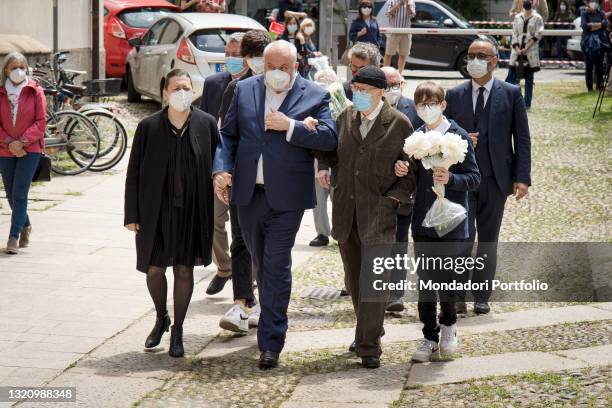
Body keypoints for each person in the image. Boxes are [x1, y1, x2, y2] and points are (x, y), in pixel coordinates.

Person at [212, 40, 338, 369]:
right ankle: (271, 314)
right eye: (272, 67)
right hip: (249, 193)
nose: (277, 74)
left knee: (277, 265)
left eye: (285, 68)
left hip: (288, 197)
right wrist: (221, 169)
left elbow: (328, 136)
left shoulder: (314, 94)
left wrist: (292, 127)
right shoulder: (243, 90)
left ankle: (271, 342)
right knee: (259, 263)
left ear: (297, 67)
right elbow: (228, 136)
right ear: (262, 66)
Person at [315, 66, 416, 369]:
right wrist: (323, 165)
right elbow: (330, 149)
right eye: (355, 89)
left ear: (381, 92)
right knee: (354, 281)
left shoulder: (399, 124)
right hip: (347, 212)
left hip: (379, 215)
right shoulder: (345, 117)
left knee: (374, 282)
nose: (357, 95)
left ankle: (369, 346)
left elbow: (411, 173)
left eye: (365, 90)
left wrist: (393, 199)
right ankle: (369, 328)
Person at [124, 69, 217, 358]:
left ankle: (177, 329)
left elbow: (218, 163)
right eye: (176, 88)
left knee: (184, 268)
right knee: (154, 269)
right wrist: (132, 213)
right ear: (165, 93)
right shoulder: (149, 126)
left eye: (186, 87)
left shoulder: (206, 123)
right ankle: (161, 316)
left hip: (192, 209)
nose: (182, 92)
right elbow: (135, 171)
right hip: (156, 210)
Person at [394, 81, 480, 363]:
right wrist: (403, 168)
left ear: (442, 105)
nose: (426, 108)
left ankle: (449, 325)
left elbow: (474, 178)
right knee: (427, 280)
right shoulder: (415, 137)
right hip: (423, 220)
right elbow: (410, 179)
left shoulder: (458, 135)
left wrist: (451, 179)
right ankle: (429, 334)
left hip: (453, 219)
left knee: (450, 280)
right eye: (421, 104)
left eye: (431, 103)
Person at [445, 38, 531, 315]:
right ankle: (457, 295)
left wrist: (522, 177)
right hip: (462, 180)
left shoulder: (510, 93)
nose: (474, 60)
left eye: (480, 55)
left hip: (496, 179)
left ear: (494, 60)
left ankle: (482, 295)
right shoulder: (455, 94)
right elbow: (441, 133)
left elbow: (522, 137)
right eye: (470, 55)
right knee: (461, 239)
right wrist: (459, 138)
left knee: (488, 240)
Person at [216, 30, 272, 334]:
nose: (258, 64)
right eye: (252, 58)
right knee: (240, 241)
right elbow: (227, 135)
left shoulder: (283, 89)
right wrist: (222, 172)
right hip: (242, 178)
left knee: (266, 245)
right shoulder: (236, 90)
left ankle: (265, 301)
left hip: (273, 182)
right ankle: (241, 303)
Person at [198, 32, 246, 296]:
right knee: (213, 220)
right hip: (218, 166)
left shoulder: (256, 84)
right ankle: (225, 268)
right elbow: (204, 124)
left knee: (244, 228)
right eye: (228, 54)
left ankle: (248, 276)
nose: (231, 59)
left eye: (237, 55)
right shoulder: (213, 83)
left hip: (245, 167)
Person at [379, 66, 422, 312]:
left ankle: (395, 293)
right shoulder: (370, 110)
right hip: (376, 189)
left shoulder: (412, 109)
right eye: (387, 85)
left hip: (405, 190)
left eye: (396, 84)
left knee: (399, 242)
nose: (391, 89)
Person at [0, 52, 45, 255]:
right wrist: (10, 143)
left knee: (20, 193)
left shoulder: (35, 91)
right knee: (10, 194)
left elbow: (41, 122)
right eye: (13, 67)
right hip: (5, 149)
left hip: (31, 149)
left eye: (22, 66)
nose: (18, 70)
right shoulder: (1, 92)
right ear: (6, 70)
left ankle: (13, 236)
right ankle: (25, 224)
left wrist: (23, 142)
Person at [506, 0, 544, 110]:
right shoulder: (517, 17)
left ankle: (527, 104)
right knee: (512, 76)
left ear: (534, 3)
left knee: (529, 79)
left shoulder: (538, 18)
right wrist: (517, 48)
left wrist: (526, 47)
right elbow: (514, 33)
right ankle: (509, 101)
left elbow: (539, 33)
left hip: (530, 51)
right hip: (516, 50)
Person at [581, 1, 609, 91]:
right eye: (592, 1)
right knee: (589, 66)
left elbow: (605, 24)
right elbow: (585, 26)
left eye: (595, 1)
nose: (594, 3)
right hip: (587, 43)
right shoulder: (584, 13)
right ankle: (589, 87)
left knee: (599, 66)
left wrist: (593, 25)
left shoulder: (602, 13)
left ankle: (599, 86)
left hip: (600, 43)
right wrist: (599, 24)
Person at [383, 0, 415, 73]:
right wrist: (399, 4)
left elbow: (412, 15)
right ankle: (385, 74)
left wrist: (407, 5)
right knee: (388, 54)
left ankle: (400, 74)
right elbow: (389, 14)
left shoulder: (411, 2)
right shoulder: (391, 1)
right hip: (394, 31)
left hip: (406, 32)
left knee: (403, 55)